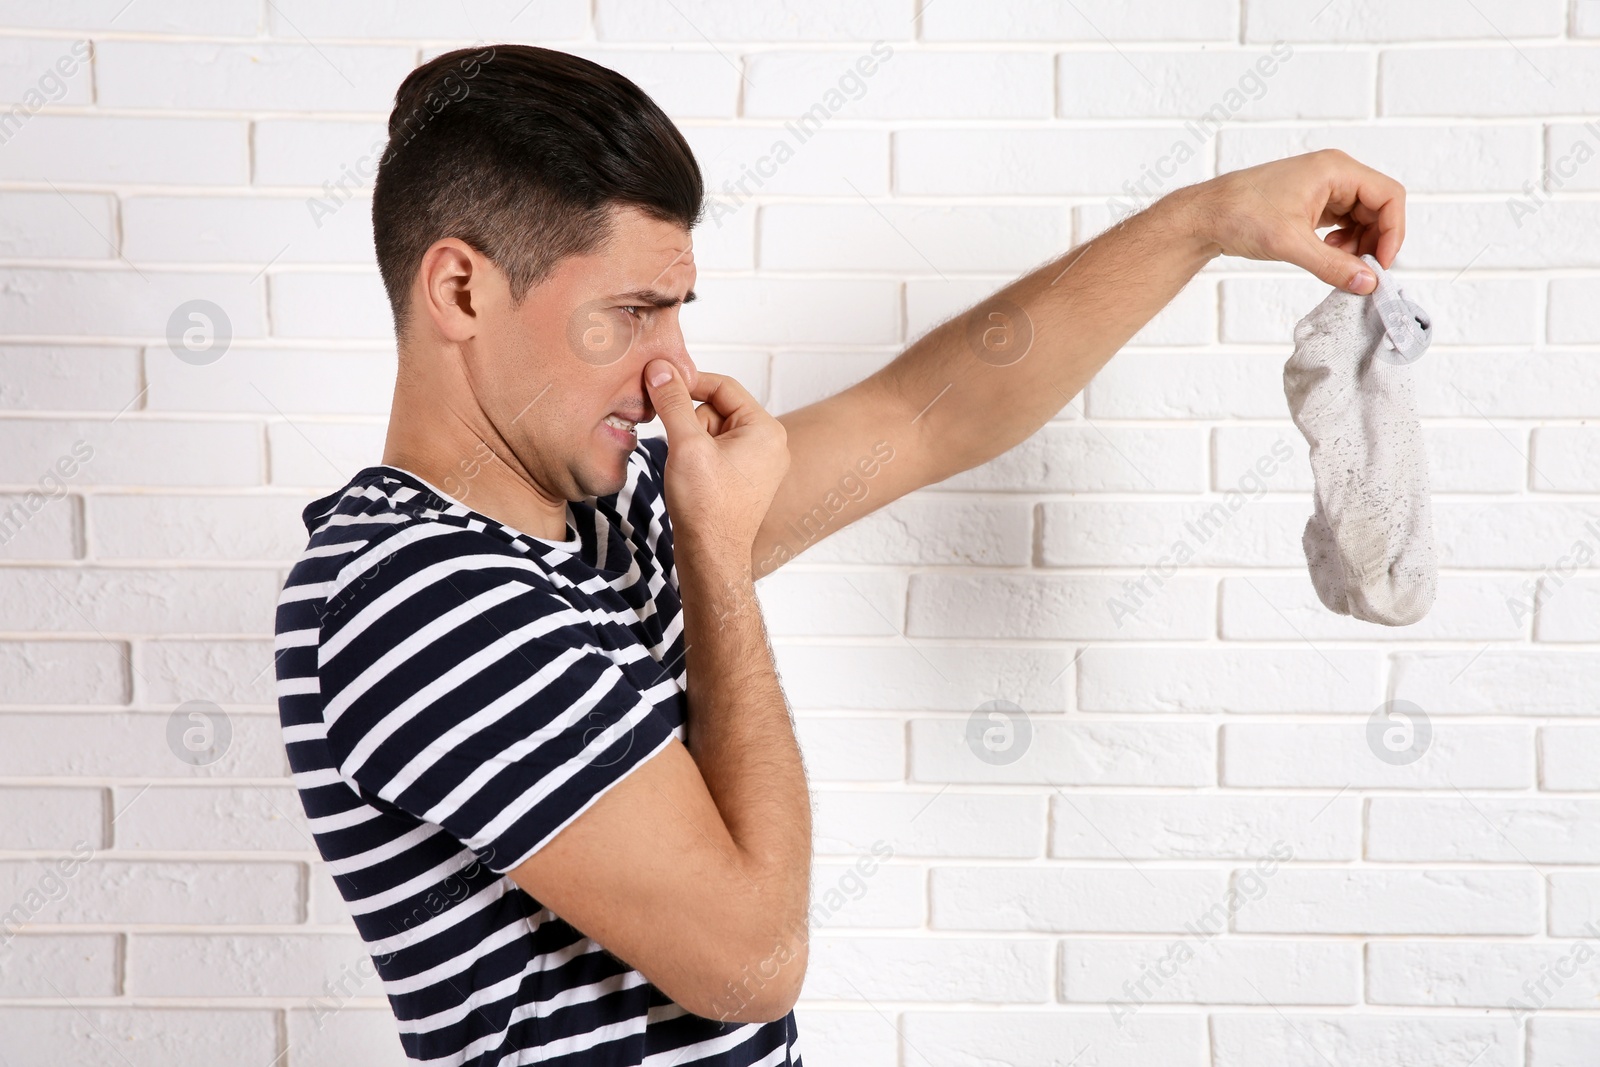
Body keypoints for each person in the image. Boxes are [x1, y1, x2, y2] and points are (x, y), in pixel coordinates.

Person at [273, 41, 1406, 1067]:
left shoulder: (600, 531)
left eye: (677, 311)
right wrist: (713, 559)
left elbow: (926, 413)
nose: (671, 369)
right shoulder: (411, 591)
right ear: (461, 289)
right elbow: (748, 962)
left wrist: (1204, 218)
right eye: (629, 313)